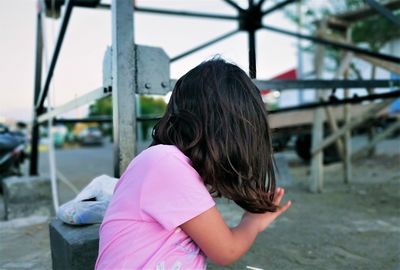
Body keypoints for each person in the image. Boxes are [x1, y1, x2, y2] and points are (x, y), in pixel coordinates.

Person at [95, 58, 291, 269]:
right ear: (229, 133)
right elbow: (227, 250)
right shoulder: (165, 164)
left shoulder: (170, 165)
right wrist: (253, 222)